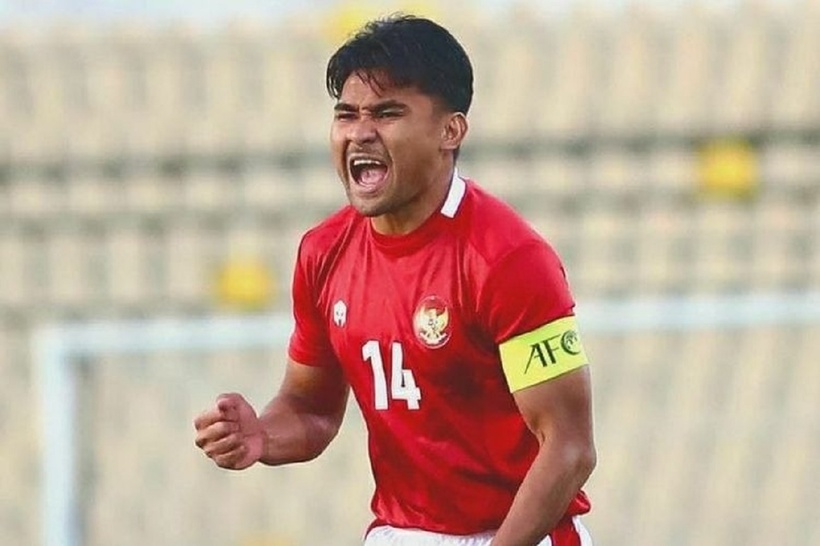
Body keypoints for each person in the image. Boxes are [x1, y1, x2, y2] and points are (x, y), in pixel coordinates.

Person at [194, 14, 596, 546]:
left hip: (518, 534)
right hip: (400, 533)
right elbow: (311, 408)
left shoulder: (508, 259)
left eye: (387, 113)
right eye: (346, 114)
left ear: (450, 131)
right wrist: (262, 434)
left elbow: (569, 449)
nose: (360, 132)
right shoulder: (323, 252)